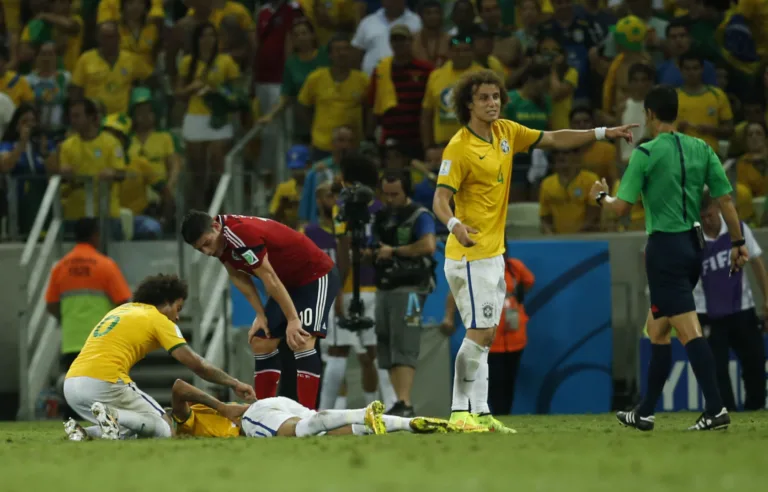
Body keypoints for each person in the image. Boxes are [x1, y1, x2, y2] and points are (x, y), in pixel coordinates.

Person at [433, 69, 635, 432]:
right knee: (479, 333)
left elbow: (556, 138)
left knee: (488, 334)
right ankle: (458, 412)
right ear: (468, 104)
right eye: (483, 98)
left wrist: (605, 132)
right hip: (468, 254)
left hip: (493, 254)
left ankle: (481, 413)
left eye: (496, 96)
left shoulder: (507, 132)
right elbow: (439, 200)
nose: (492, 103)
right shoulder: (459, 147)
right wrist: (454, 225)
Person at [591, 85, 746, 431]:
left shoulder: (645, 154)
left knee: (688, 329)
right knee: (657, 329)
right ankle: (645, 411)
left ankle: (716, 408)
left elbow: (620, 209)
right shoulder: (702, 149)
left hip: (664, 249)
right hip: (694, 246)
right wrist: (737, 242)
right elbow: (726, 202)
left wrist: (601, 196)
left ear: (648, 114)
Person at [62, 273, 255, 441]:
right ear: (166, 301)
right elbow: (198, 365)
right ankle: (115, 415)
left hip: (71, 384)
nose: (177, 317)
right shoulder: (158, 318)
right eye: (178, 308)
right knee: (163, 427)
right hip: (104, 381)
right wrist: (234, 383)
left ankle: (84, 433)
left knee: (137, 426)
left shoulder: (120, 311)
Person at [180, 211, 341, 410]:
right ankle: (265, 414)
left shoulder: (239, 233)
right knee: (260, 341)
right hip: (287, 284)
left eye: (206, 243)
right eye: (200, 249)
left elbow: (269, 277)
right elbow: (239, 277)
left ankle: (309, 416)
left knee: (301, 339)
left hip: (314, 276)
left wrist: (292, 319)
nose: (206, 251)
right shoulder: (220, 241)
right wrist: (260, 314)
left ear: (215, 226)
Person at [156, 379, 472, 439]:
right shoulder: (192, 425)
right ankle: (411, 423)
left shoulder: (186, 421)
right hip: (273, 406)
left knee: (299, 431)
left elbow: (179, 387)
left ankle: (359, 412)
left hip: (255, 420)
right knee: (332, 432)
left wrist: (221, 405)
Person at [45, 218, 132, 420]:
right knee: (101, 386)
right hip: (100, 339)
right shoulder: (105, 265)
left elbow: (50, 304)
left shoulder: (60, 267)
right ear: (95, 235)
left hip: (72, 338)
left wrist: (65, 318)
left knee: (73, 388)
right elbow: (124, 302)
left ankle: (72, 423)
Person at [694, 192, 767, 411]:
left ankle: (754, 408)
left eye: (710, 215)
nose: (707, 221)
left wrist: (766, 299)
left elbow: (756, 262)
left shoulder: (738, 230)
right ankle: (726, 412)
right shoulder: (694, 239)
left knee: (754, 362)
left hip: (741, 308)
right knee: (716, 369)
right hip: (707, 312)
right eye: (702, 217)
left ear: (717, 209)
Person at [373, 170, 437, 416]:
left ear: (406, 192)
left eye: (395, 194)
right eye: (386, 194)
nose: (390, 199)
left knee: (405, 341)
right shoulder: (381, 216)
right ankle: (398, 401)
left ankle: (405, 401)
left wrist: (395, 251)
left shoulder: (420, 215)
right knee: (387, 342)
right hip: (385, 285)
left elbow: (429, 245)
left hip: (411, 286)